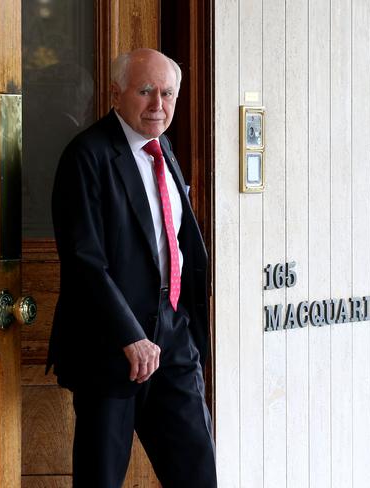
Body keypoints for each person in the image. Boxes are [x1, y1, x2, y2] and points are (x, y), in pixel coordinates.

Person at [47, 48, 217, 488]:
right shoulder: (87, 156)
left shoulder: (165, 150)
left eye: (168, 94)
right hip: (112, 346)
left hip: (173, 338)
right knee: (100, 479)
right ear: (115, 93)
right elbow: (84, 261)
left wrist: (188, 330)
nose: (158, 105)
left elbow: (176, 243)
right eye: (146, 91)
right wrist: (131, 336)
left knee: (198, 473)